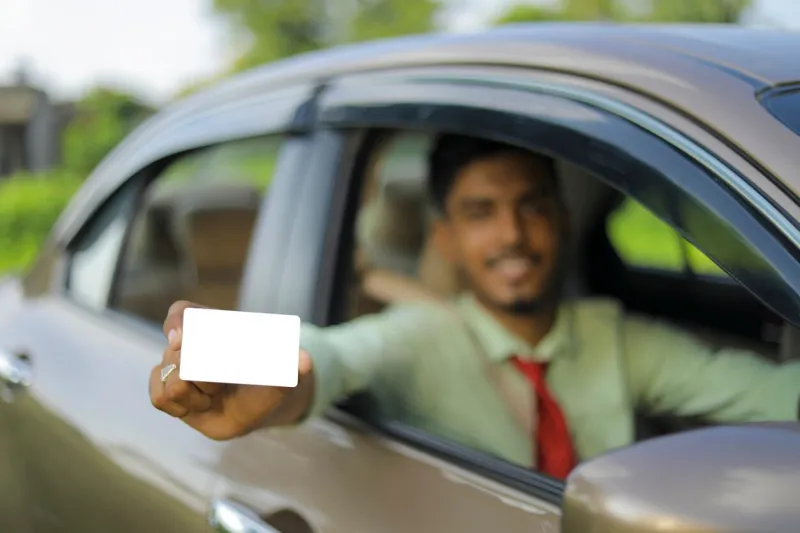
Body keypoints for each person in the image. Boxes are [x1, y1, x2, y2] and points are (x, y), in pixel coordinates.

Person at [150, 134, 800, 480]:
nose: (513, 235)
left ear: (562, 220)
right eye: (480, 213)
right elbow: (335, 355)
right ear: (447, 239)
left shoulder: (613, 337)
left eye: (532, 206)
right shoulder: (417, 336)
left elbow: (772, 392)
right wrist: (279, 382)